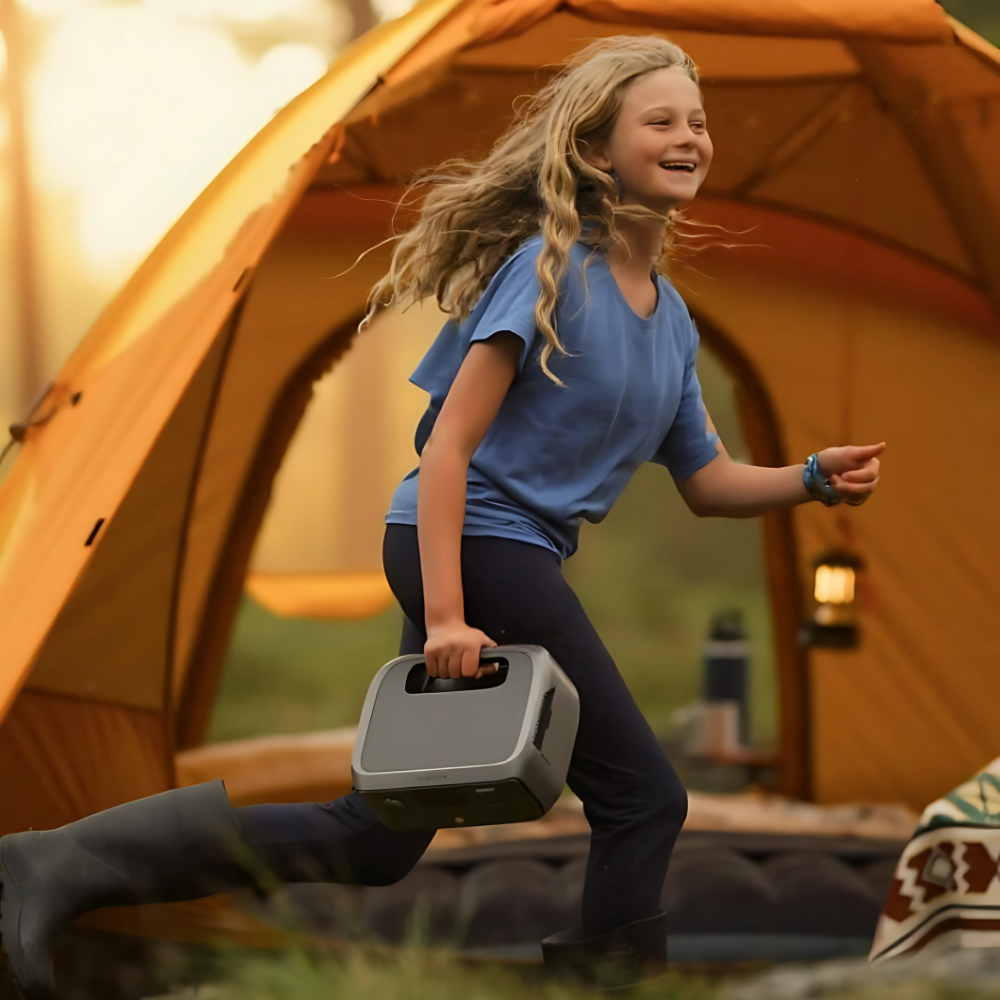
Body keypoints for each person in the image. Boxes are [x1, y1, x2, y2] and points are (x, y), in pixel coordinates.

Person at [0, 35, 884, 998]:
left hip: (493, 557)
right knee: (644, 798)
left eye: (698, 122)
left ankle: (55, 863)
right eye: (661, 120)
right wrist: (454, 614)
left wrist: (808, 478)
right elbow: (448, 451)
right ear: (596, 152)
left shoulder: (670, 319)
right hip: (472, 545)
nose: (689, 136)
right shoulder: (548, 273)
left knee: (376, 840)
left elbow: (707, 481)